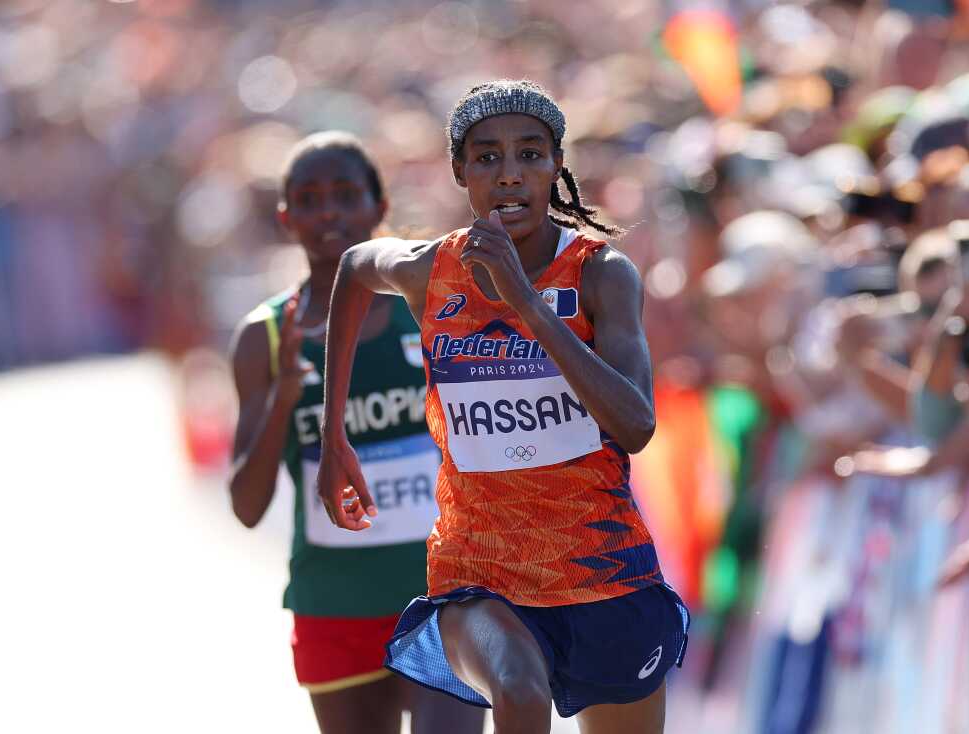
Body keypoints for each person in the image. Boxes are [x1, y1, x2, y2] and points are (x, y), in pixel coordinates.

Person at [316, 80, 689, 734]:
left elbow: (635, 427)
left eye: (530, 155)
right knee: (517, 689)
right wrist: (334, 436)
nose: (510, 175)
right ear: (461, 172)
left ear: (556, 166)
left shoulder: (602, 273)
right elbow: (353, 267)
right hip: (479, 571)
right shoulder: (431, 269)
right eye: (486, 158)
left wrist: (525, 303)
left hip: (602, 569)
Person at [227, 131, 485, 734]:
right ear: (286, 216)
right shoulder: (264, 338)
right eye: (310, 199)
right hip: (334, 606)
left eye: (345, 195)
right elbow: (245, 506)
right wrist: (286, 399)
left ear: (379, 206)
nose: (329, 213)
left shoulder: (432, 309)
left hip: (442, 594)